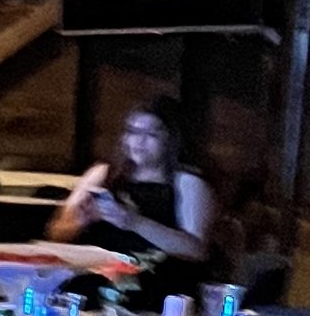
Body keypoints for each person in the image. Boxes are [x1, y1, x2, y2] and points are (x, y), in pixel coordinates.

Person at [50, 99, 215, 303]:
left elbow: (196, 250)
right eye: (133, 132)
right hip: (91, 282)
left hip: (156, 289)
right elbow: (56, 233)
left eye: (151, 134)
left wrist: (134, 222)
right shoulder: (102, 174)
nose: (138, 142)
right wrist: (78, 222)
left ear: (172, 139)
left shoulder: (187, 183)